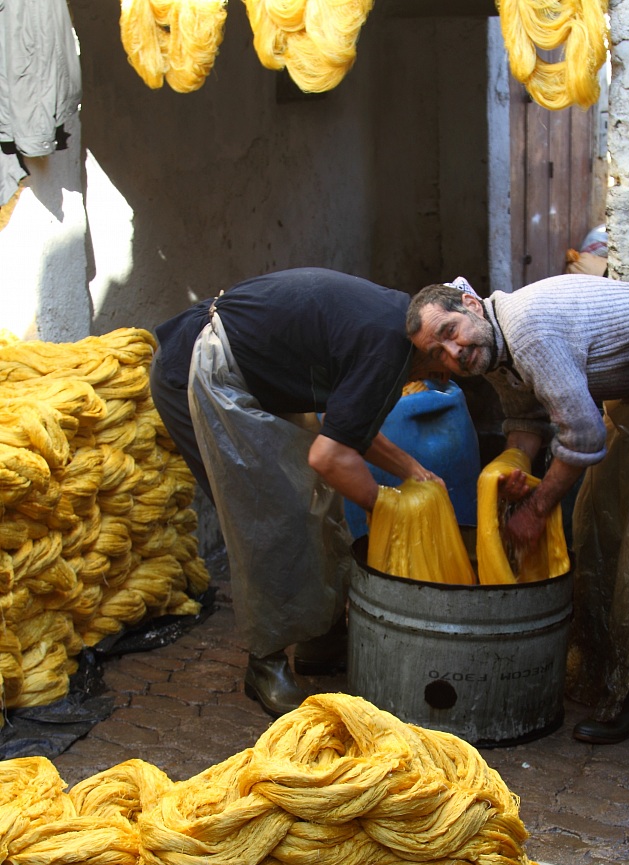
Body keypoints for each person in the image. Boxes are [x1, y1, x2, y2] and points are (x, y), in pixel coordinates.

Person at [406, 273, 629, 744]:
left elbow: (584, 437)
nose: (453, 353)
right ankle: (609, 664)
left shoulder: (528, 332)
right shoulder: (494, 353)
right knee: (606, 525)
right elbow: (526, 420)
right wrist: (512, 465)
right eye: (437, 353)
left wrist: (536, 508)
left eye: (449, 332)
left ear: (471, 305)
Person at [150, 268, 444, 717]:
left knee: (318, 504)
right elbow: (330, 456)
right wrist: (389, 508)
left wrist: (413, 470)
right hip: (201, 368)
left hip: (255, 377)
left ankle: (320, 638)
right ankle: (264, 664)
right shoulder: (392, 349)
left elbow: (345, 427)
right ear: (429, 357)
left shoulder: (397, 329)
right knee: (271, 519)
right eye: (440, 368)